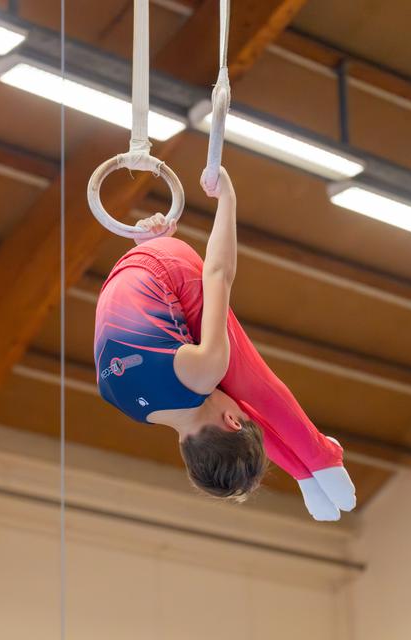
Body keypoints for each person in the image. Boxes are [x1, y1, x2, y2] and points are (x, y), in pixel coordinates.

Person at [94, 167, 356, 521]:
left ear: (233, 421)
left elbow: (219, 272)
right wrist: (150, 245)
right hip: (127, 269)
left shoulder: (200, 373)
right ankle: (307, 473)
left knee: (241, 377)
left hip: (166, 264)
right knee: (215, 377)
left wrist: (227, 198)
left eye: (241, 415)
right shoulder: (121, 402)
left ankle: (319, 461)